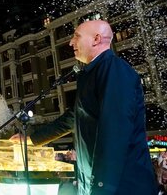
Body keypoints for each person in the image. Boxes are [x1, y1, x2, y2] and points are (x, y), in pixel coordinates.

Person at [9, 20, 157, 195]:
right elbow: (73, 117)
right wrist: (32, 139)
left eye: (76, 36)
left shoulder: (114, 69)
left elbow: (115, 130)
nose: (71, 42)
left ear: (96, 39)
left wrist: (102, 187)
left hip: (123, 187)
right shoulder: (92, 74)